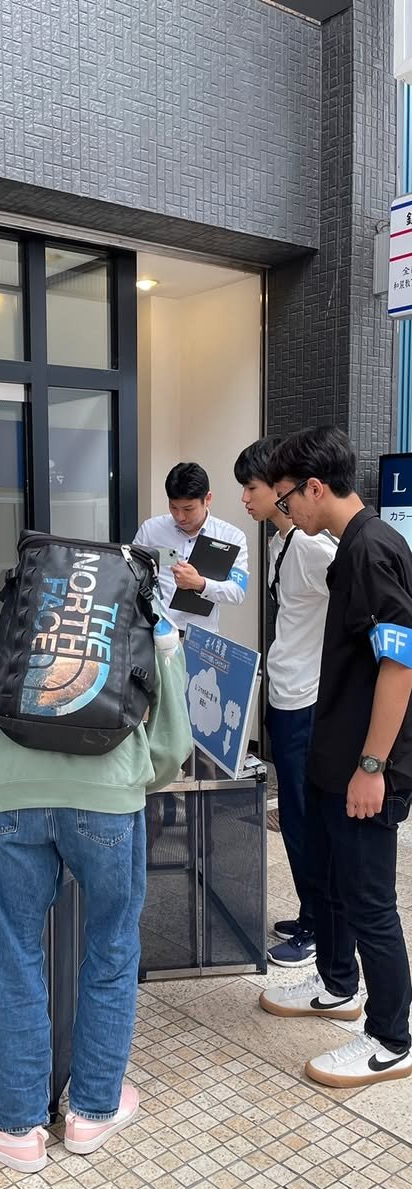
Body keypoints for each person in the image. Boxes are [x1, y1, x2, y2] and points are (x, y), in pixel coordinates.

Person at [0, 620, 193, 1171]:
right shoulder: (141, 608)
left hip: (11, 794)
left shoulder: (28, 594)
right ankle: (93, 1110)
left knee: (16, 953)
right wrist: (129, 780)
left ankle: (15, 1125)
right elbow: (172, 745)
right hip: (107, 797)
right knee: (112, 947)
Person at [259, 427, 412, 1087]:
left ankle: (392, 1038)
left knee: (371, 901)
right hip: (334, 755)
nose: (286, 510)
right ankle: (336, 984)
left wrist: (373, 766)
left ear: (315, 487)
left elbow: (401, 665)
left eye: (288, 497)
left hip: (365, 768)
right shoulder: (350, 546)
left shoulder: (372, 551)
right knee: (333, 883)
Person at [234, 438, 336, 968]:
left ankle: (320, 926)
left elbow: (357, 608)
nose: (245, 499)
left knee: (304, 818)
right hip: (285, 693)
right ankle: (309, 911)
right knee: (295, 816)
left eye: (251, 488)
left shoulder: (315, 548)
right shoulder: (282, 543)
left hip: (307, 700)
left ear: (280, 489)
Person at [134, 462, 249, 637]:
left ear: (207, 499)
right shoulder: (151, 530)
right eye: (173, 507)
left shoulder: (231, 537)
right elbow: (132, 574)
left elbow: (237, 592)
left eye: (188, 509)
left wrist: (200, 584)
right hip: (153, 634)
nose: (180, 517)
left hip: (199, 637)